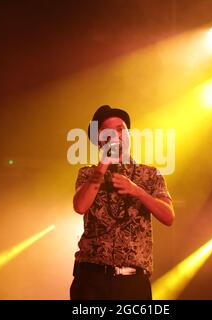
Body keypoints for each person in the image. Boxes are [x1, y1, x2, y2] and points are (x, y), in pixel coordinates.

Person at [70, 105, 175, 300]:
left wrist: (136, 190)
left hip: (132, 283)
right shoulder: (87, 173)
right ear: (99, 141)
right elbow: (80, 206)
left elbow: (168, 217)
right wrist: (103, 165)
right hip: (91, 280)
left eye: (121, 129)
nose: (117, 135)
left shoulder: (150, 174)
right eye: (108, 132)